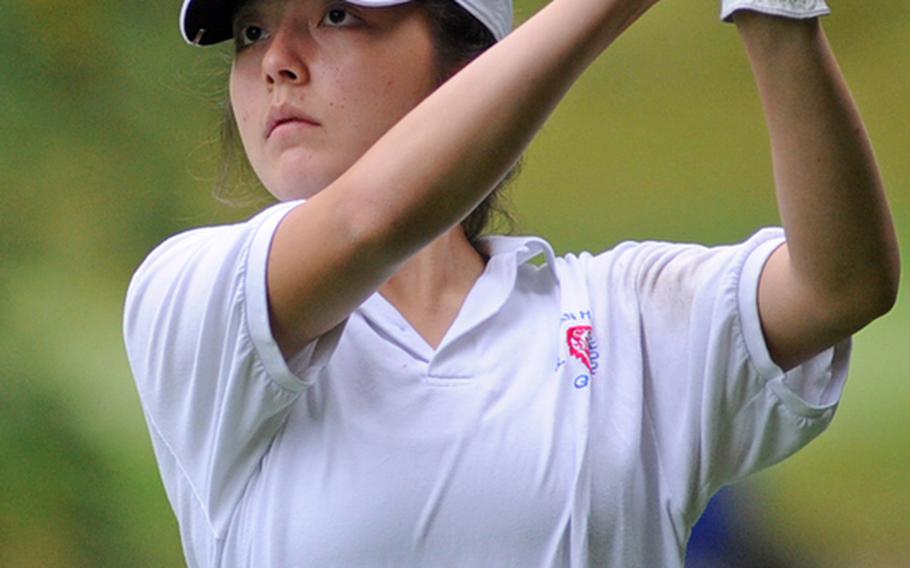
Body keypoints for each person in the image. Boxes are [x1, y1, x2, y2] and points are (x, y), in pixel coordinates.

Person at [123, 0, 899, 565]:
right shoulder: (194, 297)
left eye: (335, 15)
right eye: (252, 31)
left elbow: (841, 287)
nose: (275, 61)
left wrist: (776, 15)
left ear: (470, 57)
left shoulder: (618, 315)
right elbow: (367, 222)